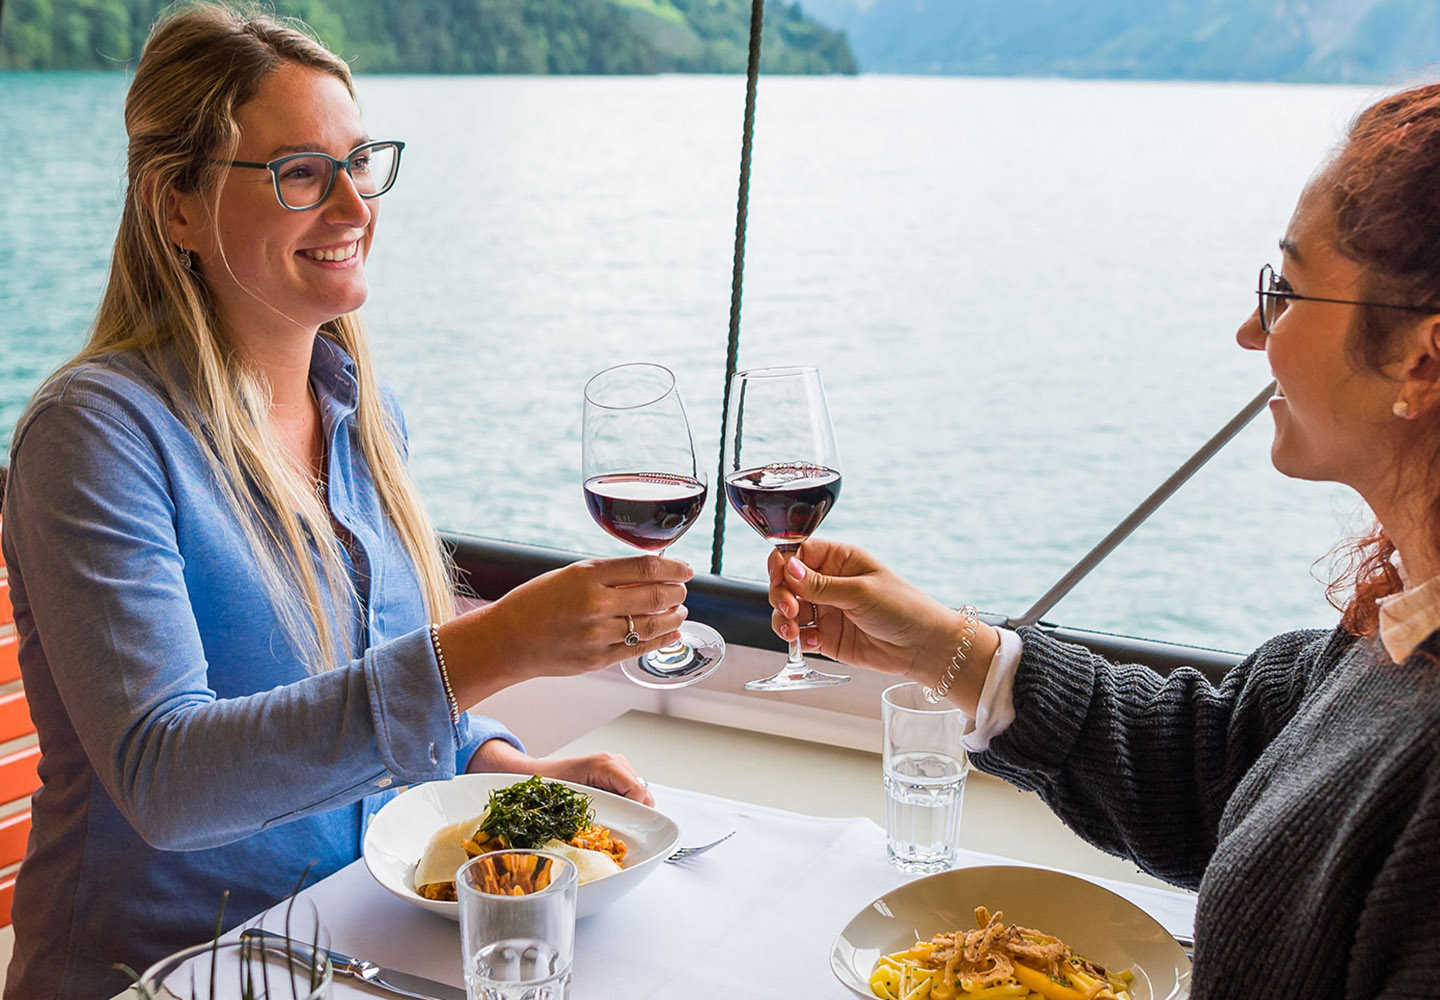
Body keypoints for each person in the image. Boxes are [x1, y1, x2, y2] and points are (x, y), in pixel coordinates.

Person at [0, 6, 690, 997]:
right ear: (178, 207)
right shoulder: (97, 435)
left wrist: (510, 770)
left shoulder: (362, 411)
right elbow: (165, 779)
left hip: (352, 951)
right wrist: (491, 647)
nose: (355, 206)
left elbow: (383, 692)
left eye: (360, 163)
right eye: (300, 172)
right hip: (161, 974)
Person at [769, 83, 1440, 998]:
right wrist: (945, 646)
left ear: (1422, 358)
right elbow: (1222, 770)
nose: (1252, 331)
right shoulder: (1397, 628)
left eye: (1282, 290)